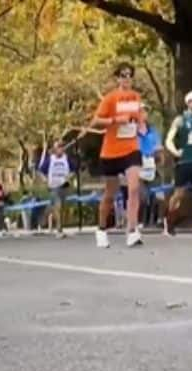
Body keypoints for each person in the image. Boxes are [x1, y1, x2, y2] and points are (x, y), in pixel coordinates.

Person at [90, 61, 147, 248]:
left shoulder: (136, 98)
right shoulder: (110, 98)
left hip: (131, 149)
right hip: (111, 152)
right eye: (123, 75)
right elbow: (96, 121)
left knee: (134, 188)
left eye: (130, 75)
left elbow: (141, 118)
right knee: (110, 193)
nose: (127, 78)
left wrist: (142, 124)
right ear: (117, 78)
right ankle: (101, 228)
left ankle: (132, 231)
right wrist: (116, 120)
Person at [165, 91, 192, 235]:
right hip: (183, 162)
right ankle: (169, 220)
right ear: (188, 103)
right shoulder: (180, 120)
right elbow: (169, 140)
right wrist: (175, 152)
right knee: (178, 195)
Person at [37, 140, 78, 238]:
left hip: (64, 186)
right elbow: (40, 171)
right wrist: (45, 179)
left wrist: (70, 176)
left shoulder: (66, 159)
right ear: (55, 149)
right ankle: (59, 230)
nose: (60, 149)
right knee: (58, 206)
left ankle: (45, 215)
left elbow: (74, 170)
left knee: (60, 208)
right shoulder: (50, 160)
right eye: (58, 147)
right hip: (53, 186)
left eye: (62, 146)